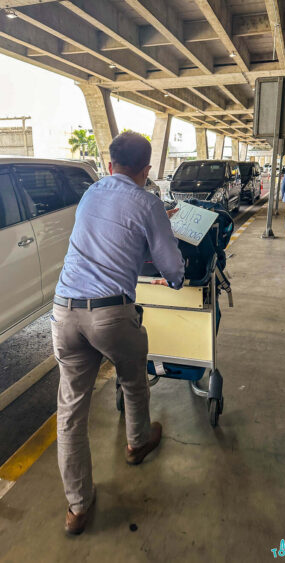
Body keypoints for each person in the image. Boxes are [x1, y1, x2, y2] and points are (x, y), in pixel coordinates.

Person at [52, 131, 185, 535]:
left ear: (110, 166)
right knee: (133, 378)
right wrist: (162, 231)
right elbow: (174, 272)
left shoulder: (92, 193)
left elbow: (108, 239)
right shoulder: (148, 202)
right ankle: (137, 442)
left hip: (63, 312)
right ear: (146, 170)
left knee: (71, 412)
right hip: (110, 316)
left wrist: (142, 239)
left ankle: (77, 508)